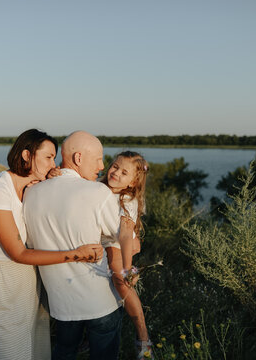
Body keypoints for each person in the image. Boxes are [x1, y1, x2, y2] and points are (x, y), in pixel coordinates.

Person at [0, 129, 104, 360]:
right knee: (6, 351)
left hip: (28, 281)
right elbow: (18, 251)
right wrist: (75, 254)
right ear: (26, 155)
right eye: (48, 157)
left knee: (34, 351)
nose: (54, 164)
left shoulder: (34, 189)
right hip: (0, 283)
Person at [23, 131, 122, 360]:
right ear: (78, 158)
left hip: (61, 304)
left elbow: (31, 242)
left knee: (64, 352)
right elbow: (120, 236)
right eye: (98, 158)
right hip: (100, 301)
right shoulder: (98, 191)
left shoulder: (31, 193)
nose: (102, 165)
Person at [100, 151, 153, 359]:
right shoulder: (98, 186)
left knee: (119, 278)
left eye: (124, 172)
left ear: (132, 183)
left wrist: (127, 268)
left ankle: (142, 334)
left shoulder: (127, 198)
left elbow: (124, 232)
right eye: (114, 166)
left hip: (116, 241)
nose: (116, 173)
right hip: (97, 238)